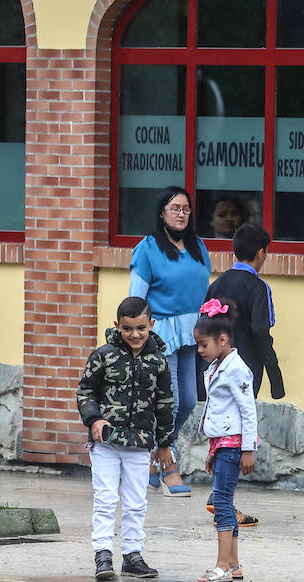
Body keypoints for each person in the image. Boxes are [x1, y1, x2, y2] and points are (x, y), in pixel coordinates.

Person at [76, 296, 175, 581]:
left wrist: (165, 443)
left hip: (140, 444)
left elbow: (165, 403)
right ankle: (103, 554)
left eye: (141, 328)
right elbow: (85, 391)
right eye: (128, 328)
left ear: (151, 324)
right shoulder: (103, 356)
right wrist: (94, 419)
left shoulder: (158, 362)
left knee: (136, 502)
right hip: (106, 443)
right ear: (117, 326)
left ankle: (133, 555)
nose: (135, 334)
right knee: (105, 499)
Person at [129, 186, 211, 497]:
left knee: (189, 400)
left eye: (186, 209)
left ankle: (153, 459)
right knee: (170, 402)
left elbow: (203, 289)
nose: (181, 214)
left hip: (192, 332)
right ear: (162, 213)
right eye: (175, 208)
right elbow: (136, 297)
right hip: (161, 334)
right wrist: (135, 335)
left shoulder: (197, 246)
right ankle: (169, 466)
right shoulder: (147, 249)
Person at [203, 223, 286, 528]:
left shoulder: (217, 284)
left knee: (222, 432)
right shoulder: (258, 287)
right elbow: (261, 332)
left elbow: (205, 329)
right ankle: (222, 502)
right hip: (245, 369)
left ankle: (219, 496)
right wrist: (274, 373)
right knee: (236, 435)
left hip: (215, 370)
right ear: (262, 253)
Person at [193, 298, 258, 582]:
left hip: (233, 446)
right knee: (225, 502)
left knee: (220, 502)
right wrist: (212, 450)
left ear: (222, 340)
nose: (199, 351)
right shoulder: (220, 366)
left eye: (203, 345)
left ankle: (221, 566)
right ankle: (233, 563)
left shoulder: (236, 369)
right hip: (223, 445)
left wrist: (247, 449)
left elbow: (248, 410)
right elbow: (220, 412)